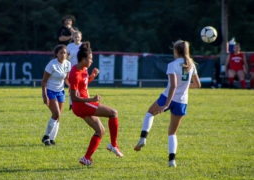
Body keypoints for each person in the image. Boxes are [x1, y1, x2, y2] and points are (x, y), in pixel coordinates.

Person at [134, 40, 201, 168]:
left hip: (167, 98)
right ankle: (172, 161)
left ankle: (143, 138)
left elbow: (173, 86)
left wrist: (166, 104)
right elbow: (197, 85)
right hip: (182, 101)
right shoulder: (191, 64)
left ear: (176, 51)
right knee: (172, 132)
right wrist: (185, 88)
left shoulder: (172, 64)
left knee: (149, 114)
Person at [69, 42, 123, 166]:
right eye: (90, 59)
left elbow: (84, 83)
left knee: (101, 131)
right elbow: (73, 97)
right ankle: (113, 145)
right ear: (83, 59)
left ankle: (86, 158)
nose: (92, 61)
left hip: (83, 104)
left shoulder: (83, 69)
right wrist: (91, 99)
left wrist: (92, 76)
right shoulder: (74, 74)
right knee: (113, 113)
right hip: (81, 105)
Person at [41, 45, 71, 146]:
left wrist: (71, 86)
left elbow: (66, 78)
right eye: (61, 53)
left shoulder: (68, 64)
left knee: (58, 117)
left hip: (61, 92)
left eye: (65, 53)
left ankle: (52, 139)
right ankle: (46, 137)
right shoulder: (52, 65)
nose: (63, 55)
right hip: (50, 91)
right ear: (56, 54)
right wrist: (45, 96)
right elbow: (44, 82)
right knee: (56, 114)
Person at [66, 31, 83, 110]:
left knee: (82, 87)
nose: (77, 38)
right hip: (72, 69)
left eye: (78, 37)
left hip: (81, 69)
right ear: (73, 38)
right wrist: (66, 68)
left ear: (81, 37)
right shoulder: (69, 46)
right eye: (75, 37)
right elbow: (66, 57)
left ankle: (84, 102)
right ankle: (71, 104)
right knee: (72, 87)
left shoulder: (83, 46)